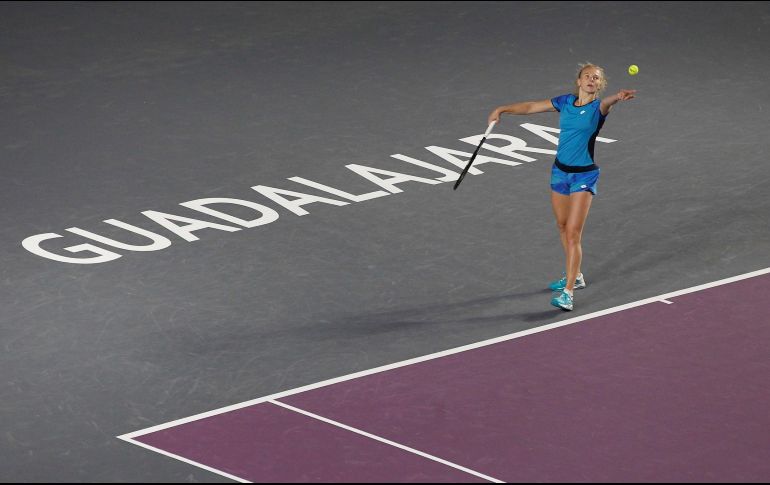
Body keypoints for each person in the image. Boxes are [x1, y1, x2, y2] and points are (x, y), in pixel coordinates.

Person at [488, 63, 636, 311]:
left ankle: (568, 292)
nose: (591, 79)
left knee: (573, 233)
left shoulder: (598, 107)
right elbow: (532, 107)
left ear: (600, 85)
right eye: (587, 76)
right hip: (559, 172)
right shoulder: (565, 102)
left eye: (596, 78)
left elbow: (609, 102)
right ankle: (575, 275)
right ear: (579, 81)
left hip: (583, 176)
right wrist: (502, 109)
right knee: (562, 226)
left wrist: (618, 98)